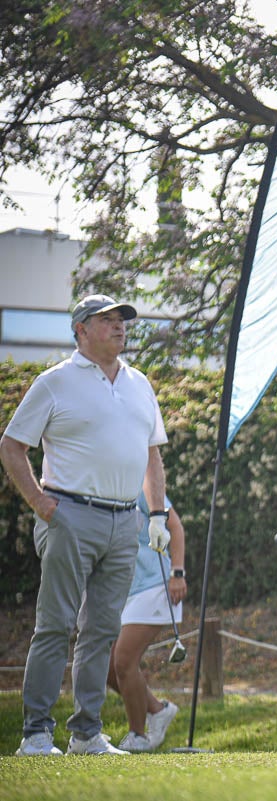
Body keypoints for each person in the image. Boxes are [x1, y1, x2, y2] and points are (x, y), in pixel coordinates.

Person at [2, 294, 169, 757]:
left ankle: (86, 734)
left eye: (122, 321)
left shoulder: (139, 384)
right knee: (54, 625)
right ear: (81, 330)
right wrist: (40, 503)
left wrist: (156, 516)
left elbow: (152, 455)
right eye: (108, 320)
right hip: (69, 516)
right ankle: (36, 734)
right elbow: (12, 446)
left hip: (124, 522)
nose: (119, 327)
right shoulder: (54, 382)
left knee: (101, 631)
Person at [106, 492, 186, 752]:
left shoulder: (143, 486)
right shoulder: (102, 484)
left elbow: (175, 526)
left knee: (123, 660)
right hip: (125, 589)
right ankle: (156, 709)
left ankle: (138, 735)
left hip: (155, 585)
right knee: (107, 666)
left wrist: (178, 573)